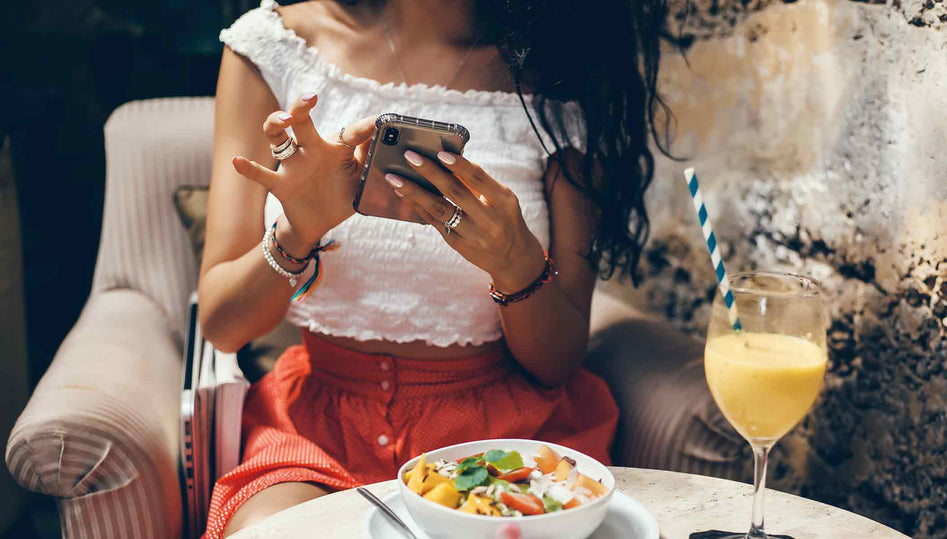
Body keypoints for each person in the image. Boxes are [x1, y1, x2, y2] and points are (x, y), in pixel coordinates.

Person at [199, 0, 671, 535]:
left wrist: (515, 262)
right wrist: (297, 228)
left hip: (502, 435)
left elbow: (556, 363)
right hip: (314, 433)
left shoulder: (561, 70)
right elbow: (222, 323)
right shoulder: (272, 46)